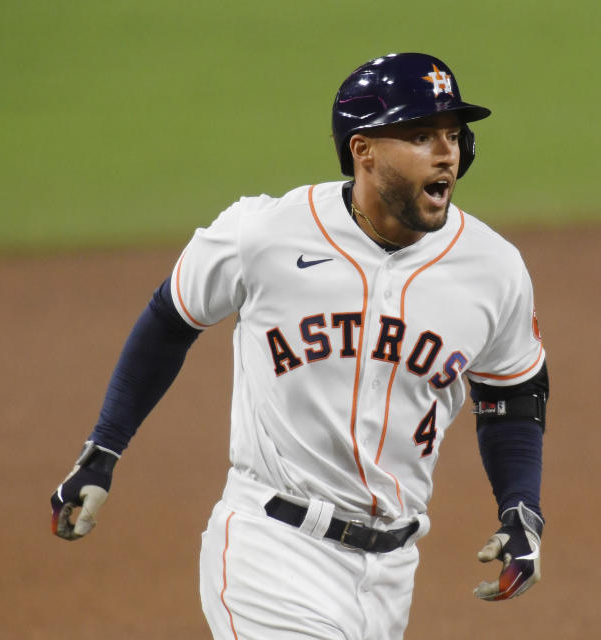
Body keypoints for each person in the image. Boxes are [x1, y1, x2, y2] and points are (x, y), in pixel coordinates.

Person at [50, 52, 548, 640]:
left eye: (453, 136)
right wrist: (103, 449)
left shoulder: (493, 268)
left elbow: (512, 391)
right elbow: (170, 319)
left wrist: (521, 508)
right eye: (420, 135)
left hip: (391, 575)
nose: (447, 153)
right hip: (272, 550)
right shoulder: (265, 234)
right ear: (362, 150)